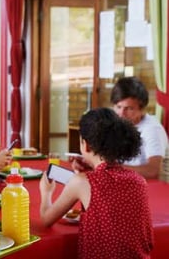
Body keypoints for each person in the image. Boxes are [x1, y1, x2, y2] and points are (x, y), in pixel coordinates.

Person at [39, 108, 153, 258]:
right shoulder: (139, 180)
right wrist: (91, 169)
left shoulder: (81, 182)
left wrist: (46, 192)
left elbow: (46, 219)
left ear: (85, 145)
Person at [110, 76, 168, 179]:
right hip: (122, 182)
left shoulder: (152, 129)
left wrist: (113, 169)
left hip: (146, 188)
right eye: (118, 107)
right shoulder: (117, 125)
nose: (121, 113)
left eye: (129, 108)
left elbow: (153, 170)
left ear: (142, 109)